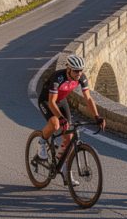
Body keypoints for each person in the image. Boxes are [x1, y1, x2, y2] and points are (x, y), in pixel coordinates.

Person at [36, 54, 105, 184]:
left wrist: (97, 116)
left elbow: (88, 98)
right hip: (47, 101)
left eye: (81, 70)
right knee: (56, 124)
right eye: (76, 71)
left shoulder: (81, 78)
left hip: (61, 102)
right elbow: (51, 102)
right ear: (68, 69)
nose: (79, 73)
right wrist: (61, 118)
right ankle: (41, 141)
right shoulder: (58, 77)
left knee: (69, 139)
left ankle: (64, 170)